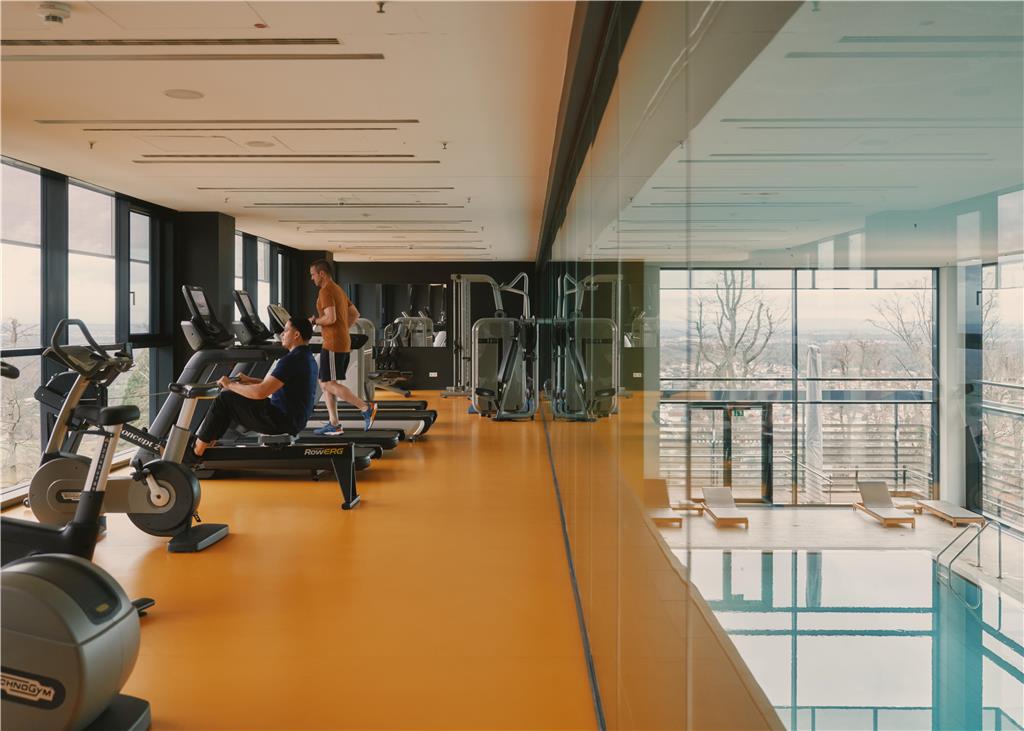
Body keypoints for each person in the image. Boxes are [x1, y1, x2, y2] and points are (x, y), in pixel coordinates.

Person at [192, 317, 316, 457]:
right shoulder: (305, 357)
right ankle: (208, 443)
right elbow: (275, 385)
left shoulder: (291, 360)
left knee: (225, 399)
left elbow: (260, 393)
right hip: (292, 420)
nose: (282, 334)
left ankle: (196, 452)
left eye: (286, 330)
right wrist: (249, 380)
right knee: (230, 399)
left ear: (296, 334)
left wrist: (230, 384)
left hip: (280, 421)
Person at [308, 259, 377, 434]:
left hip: (332, 343)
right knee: (327, 383)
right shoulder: (338, 289)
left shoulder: (326, 291)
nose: (312, 278)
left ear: (322, 274)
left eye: (313, 274)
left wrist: (315, 321)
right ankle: (334, 423)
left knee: (327, 383)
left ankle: (365, 407)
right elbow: (355, 313)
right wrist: (342, 329)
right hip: (339, 341)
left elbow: (330, 318)